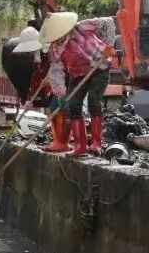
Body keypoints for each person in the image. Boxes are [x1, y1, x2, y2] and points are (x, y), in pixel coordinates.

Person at [39, 12, 116, 157]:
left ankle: (96, 144)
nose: (59, 38)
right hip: (78, 73)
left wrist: (109, 46)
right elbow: (56, 72)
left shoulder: (82, 27)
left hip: (99, 66)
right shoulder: (54, 49)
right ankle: (81, 146)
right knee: (73, 104)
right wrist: (61, 93)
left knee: (94, 101)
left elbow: (108, 22)